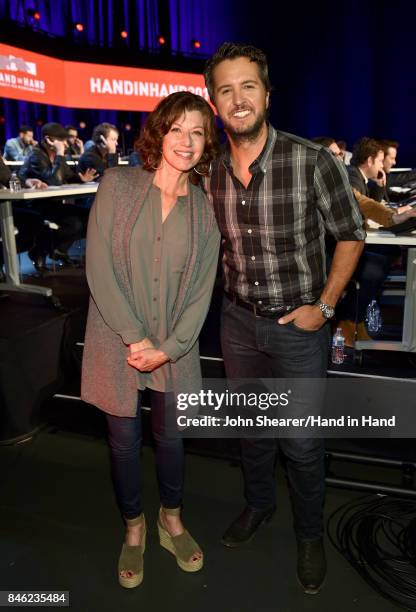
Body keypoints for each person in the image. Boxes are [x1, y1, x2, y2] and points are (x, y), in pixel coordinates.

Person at [203, 42, 365, 594]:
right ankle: (258, 506)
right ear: (214, 101)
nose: (237, 98)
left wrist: (323, 308)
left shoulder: (312, 160)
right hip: (237, 323)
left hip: (298, 329)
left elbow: (351, 233)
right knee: (252, 434)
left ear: (267, 94)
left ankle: (309, 533)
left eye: (247, 86)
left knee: (300, 443)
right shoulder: (210, 172)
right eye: (225, 89)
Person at [81, 92, 220, 589]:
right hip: (115, 340)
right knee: (122, 442)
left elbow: (203, 289)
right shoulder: (118, 185)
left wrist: (170, 345)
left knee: (173, 438)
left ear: (207, 144)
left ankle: (171, 520)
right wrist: (135, 336)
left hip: (173, 346)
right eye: (177, 128)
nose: (186, 141)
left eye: (198, 131)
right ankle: (135, 527)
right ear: (159, 132)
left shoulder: (205, 211)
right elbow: (97, 265)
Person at [337, 138, 416, 345]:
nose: (384, 166)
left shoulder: (359, 179)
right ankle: (349, 321)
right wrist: (391, 216)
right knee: (376, 266)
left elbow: (368, 204)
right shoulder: (352, 177)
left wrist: (383, 195)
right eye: (381, 161)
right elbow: (359, 209)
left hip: (352, 244)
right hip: (338, 248)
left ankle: (356, 319)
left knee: (382, 261)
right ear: (370, 160)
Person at [19, 122, 98, 270]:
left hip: (51, 203)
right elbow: (53, 181)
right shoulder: (36, 156)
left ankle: (58, 249)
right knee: (74, 223)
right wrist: (60, 154)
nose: (65, 144)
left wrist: (81, 179)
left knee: (89, 216)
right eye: (61, 140)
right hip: (34, 205)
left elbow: (67, 175)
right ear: (49, 140)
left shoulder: (54, 155)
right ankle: (41, 250)